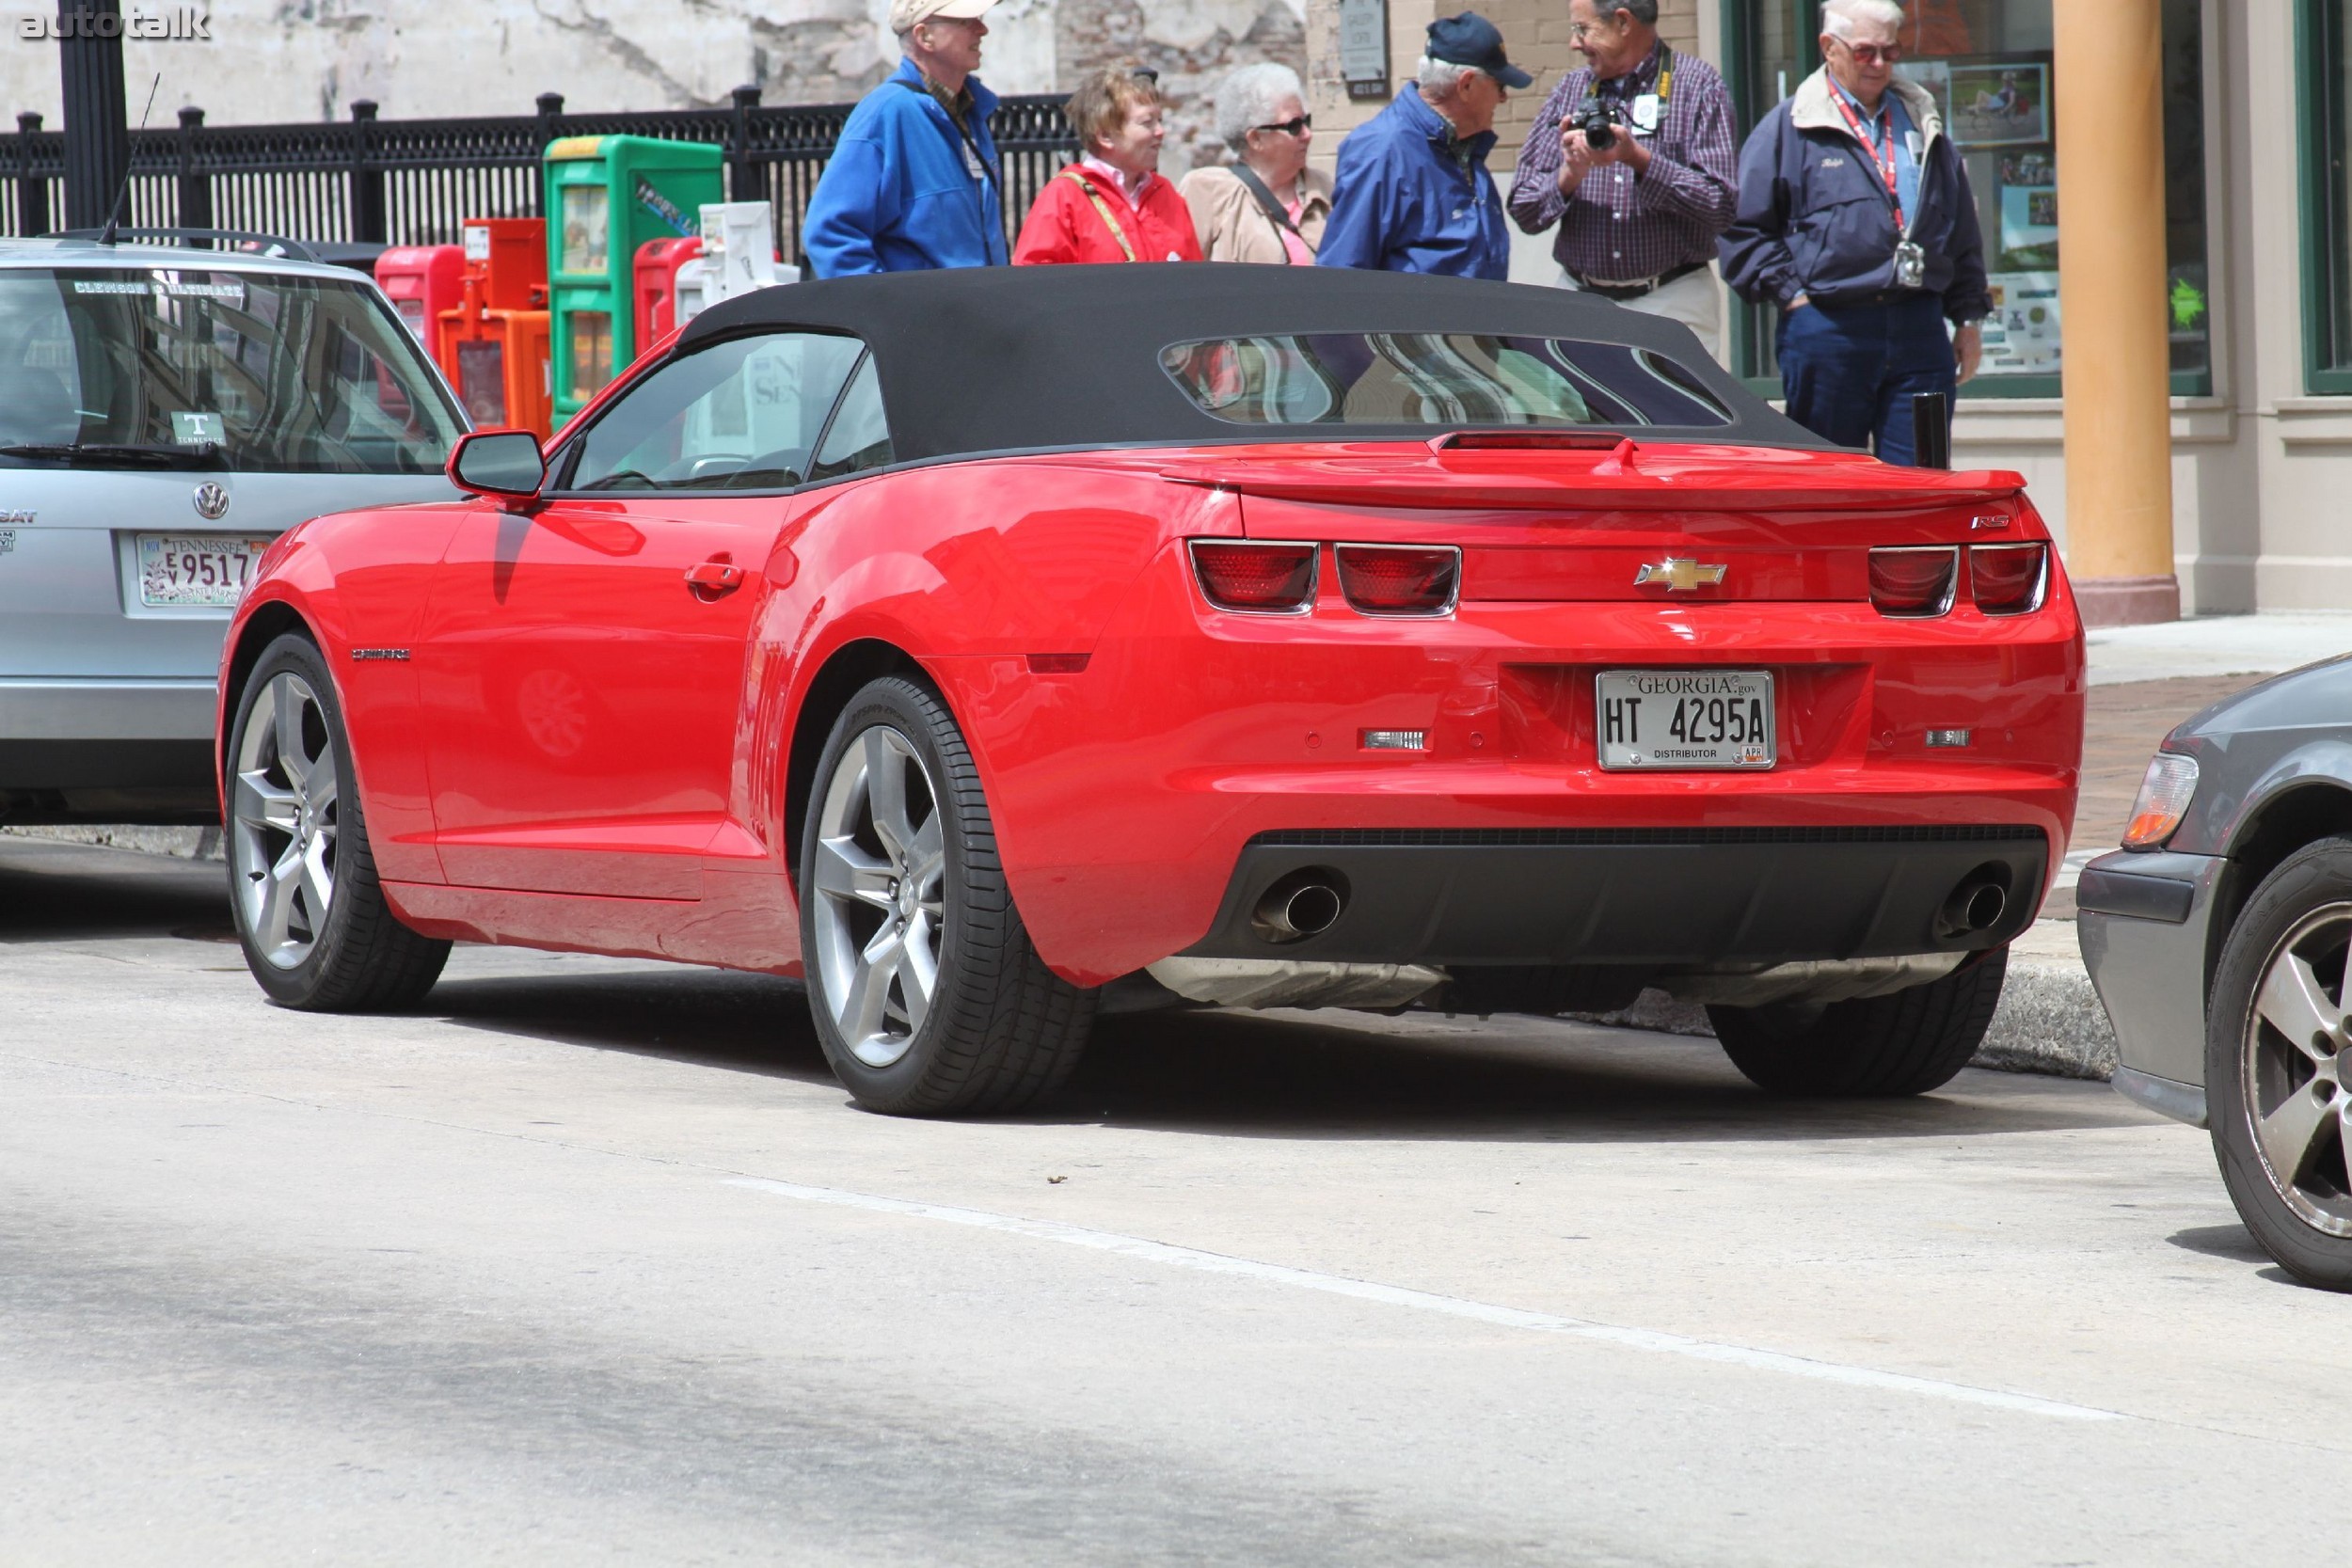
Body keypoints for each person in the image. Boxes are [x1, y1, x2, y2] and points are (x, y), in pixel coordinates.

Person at [1718, 0, 1989, 466]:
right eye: (1866, 52)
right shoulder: (1789, 126)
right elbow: (1742, 230)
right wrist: (1794, 298)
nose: (1880, 64)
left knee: (1920, 482)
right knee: (1830, 483)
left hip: (1918, 325)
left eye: (1890, 51)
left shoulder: (1921, 120)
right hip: (1829, 327)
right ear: (1829, 47)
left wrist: (1967, 319)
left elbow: (1959, 226)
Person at [1505, 0, 1737, 349]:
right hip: (1580, 302)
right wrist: (1570, 173)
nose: (1574, 43)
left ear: (1623, 23)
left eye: (1583, 29)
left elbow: (1720, 207)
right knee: (1583, 406)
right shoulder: (1569, 91)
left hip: (1674, 299)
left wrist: (1639, 159)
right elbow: (1524, 209)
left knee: (1676, 405)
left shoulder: (1698, 86)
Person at [801, 0, 1008, 277]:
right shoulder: (886, 113)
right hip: (920, 317)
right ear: (924, 36)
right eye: (964, 21)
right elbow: (830, 234)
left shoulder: (970, 109)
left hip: (972, 314)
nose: (982, 29)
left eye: (979, 18)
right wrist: (883, 313)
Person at [1316, 12, 1529, 280]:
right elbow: (1340, 276)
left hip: (1476, 321)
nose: (1503, 98)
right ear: (1466, 85)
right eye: (1499, 85)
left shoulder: (1463, 148)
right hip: (1414, 324)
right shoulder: (1383, 152)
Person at [1012, 63, 1202, 265]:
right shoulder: (1065, 196)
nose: (1160, 131)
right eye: (1147, 123)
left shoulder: (1166, 193)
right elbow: (1035, 281)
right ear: (1105, 135)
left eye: (1160, 120)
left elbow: (1193, 279)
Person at [1180, 63, 1331, 265]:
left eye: (1307, 121)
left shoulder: (1323, 188)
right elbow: (1183, 275)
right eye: (1294, 126)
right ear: (1255, 139)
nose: (1307, 134)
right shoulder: (1208, 192)